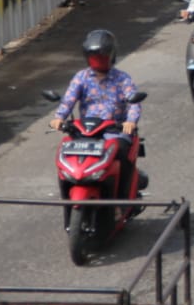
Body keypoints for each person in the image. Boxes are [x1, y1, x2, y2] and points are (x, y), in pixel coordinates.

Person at [49, 29, 142, 192]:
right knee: (66, 154)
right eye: (95, 58)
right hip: (86, 131)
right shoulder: (81, 77)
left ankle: (121, 202)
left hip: (115, 131)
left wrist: (130, 122)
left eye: (102, 57)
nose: (98, 61)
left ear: (111, 56)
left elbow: (134, 102)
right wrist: (59, 118)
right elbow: (69, 99)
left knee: (122, 153)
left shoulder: (122, 78)